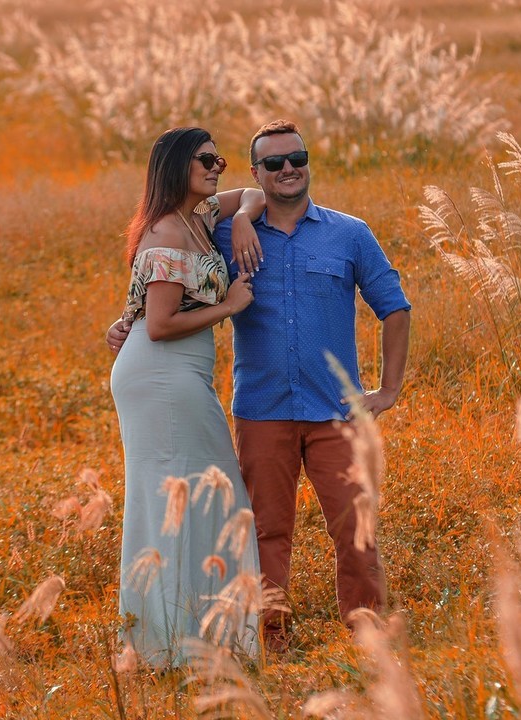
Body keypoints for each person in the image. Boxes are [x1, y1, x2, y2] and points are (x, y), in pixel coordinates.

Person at [109, 119, 411, 652]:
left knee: (354, 527)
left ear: (308, 162)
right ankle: (269, 635)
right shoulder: (216, 232)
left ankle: (369, 631)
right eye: (273, 163)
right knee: (265, 531)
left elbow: (395, 307)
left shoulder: (349, 233)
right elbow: (169, 280)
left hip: (335, 410)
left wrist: (387, 390)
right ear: (259, 171)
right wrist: (128, 319)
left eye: (297, 158)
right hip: (261, 409)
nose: (287, 169)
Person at [109, 126, 268, 667]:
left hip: (177, 374)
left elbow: (255, 193)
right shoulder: (166, 235)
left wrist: (243, 216)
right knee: (197, 496)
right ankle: (172, 641)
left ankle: (193, 635)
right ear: (177, 165)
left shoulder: (197, 218)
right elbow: (159, 324)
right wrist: (230, 306)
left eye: (219, 158)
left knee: (196, 494)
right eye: (206, 159)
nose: (217, 166)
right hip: (161, 375)